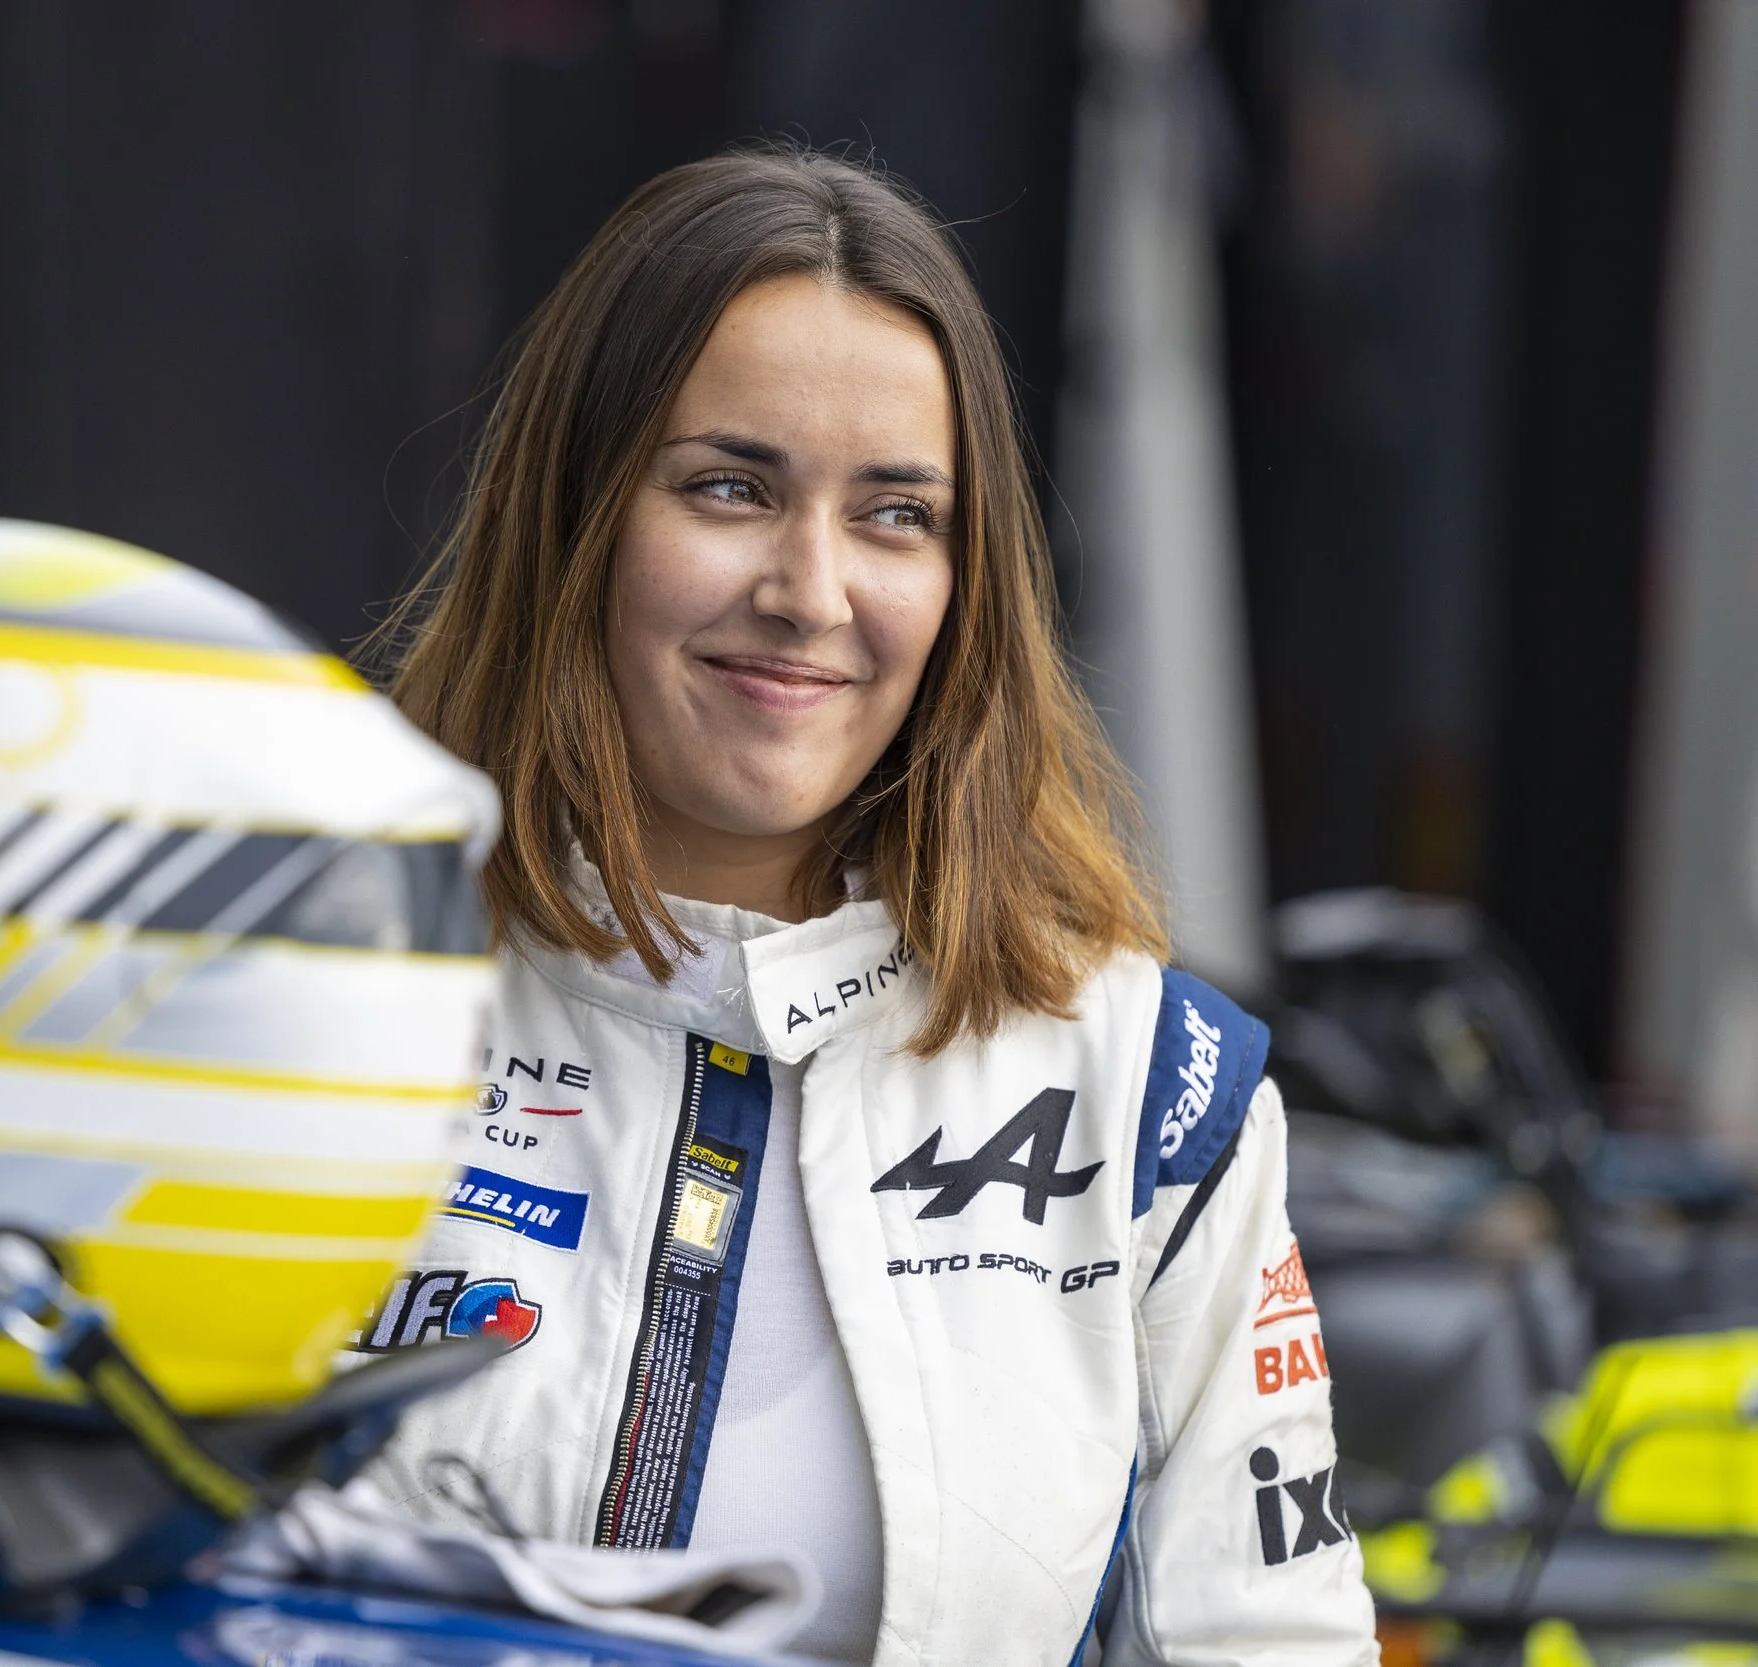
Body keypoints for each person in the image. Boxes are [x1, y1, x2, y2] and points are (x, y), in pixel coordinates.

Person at [360, 148, 1380, 1665]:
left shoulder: (1150, 1088)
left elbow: (1271, 1642)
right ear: (574, 518)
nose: (811, 591)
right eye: (730, 488)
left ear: (969, 579)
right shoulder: (329, 989)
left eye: (896, 514)